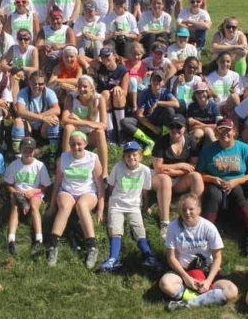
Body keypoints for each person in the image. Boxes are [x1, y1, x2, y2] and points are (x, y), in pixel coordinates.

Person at [159, 193, 238, 312]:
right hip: (183, 271)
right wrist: (186, 278)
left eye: (191, 209)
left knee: (232, 290)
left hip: (206, 271)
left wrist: (208, 281)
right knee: (165, 284)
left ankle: (188, 303)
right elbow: (171, 258)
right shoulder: (173, 227)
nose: (187, 212)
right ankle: (207, 298)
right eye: (184, 209)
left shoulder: (208, 227)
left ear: (199, 210)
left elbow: (217, 258)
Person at [197, 119, 248, 249]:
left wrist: (237, 181)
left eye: (228, 129)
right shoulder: (208, 150)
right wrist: (213, 179)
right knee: (213, 193)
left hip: (238, 184)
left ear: (235, 132)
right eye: (221, 129)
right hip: (215, 184)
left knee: (237, 191)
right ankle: (206, 235)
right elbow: (200, 174)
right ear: (216, 132)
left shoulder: (244, 148)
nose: (224, 132)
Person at [100, 141, 163, 272]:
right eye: (128, 155)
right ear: (124, 158)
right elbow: (111, 186)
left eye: (134, 155)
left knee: (139, 229)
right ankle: (114, 258)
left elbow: (145, 190)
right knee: (115, 229)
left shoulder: (145, 170)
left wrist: (146, 206)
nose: (131, 158)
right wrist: (107, 203)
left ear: (140, 156)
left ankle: (149, 255)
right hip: (116, 204)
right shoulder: (118, 167)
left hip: (134, 206)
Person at [46, 131, 106, 269]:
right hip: (67, 191)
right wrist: (52, 204)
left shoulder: (93, 158)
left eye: (79, 144)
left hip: (88, 192)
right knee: (65, 206)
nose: (76, 147)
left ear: (85, 144)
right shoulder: (64, 158)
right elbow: (58, 182)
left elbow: (100, 184)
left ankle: (92, 246)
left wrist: (101, 208)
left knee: (82, 205)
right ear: (69, 145)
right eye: (73, 144)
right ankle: (53, 245)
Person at [150, 115, 205, 238]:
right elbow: (158, 167)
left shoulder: (191, 141)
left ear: (185, 128)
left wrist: (175, 172)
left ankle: (194, 216)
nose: (175, 130)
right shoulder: (161, 142)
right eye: (172, 127)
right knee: (165, 179)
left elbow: (193, 166)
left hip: (179, 177)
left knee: (196, 177)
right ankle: (165, 222)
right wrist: (181, 165)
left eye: (178, 127)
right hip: (160, 178)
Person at [4, 137, 51, 256]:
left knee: (34, 207)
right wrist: (15, 193)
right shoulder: (14, 165)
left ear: (34, 151)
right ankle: (11, 239)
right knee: (15, 207)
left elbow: (45, 186)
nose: (27, 153)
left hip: (35, 192)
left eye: (30, 150)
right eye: (25, 150)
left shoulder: (39, 165)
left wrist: (34, 191)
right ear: (20, 150)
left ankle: (39, 238)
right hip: (19, 192)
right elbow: (8, 184)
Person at [61, 75, 109, 177]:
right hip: (77, 132)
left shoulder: (99, 99)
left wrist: (78, 120)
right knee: (69, 127)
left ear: (92, 88)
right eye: (79, 87)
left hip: (91, 134)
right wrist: (87, 123)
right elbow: (64, 120)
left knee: (100, 132)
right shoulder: (71, 97)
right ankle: (65, 165)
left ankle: (104, 172)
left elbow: (104, 125)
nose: (82, 89)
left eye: (85, 86)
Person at [121, 73, 179, 155]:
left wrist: (158, 103)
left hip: (160, 120)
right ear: (150, 81)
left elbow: (176, 104)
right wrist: (153, 128)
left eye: (159, 80)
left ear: (162, 82)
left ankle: (164, 139)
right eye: (154, 80)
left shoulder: (165, 91)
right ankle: (149, 141)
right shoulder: (144, 93)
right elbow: (140, 115)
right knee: (124, 122)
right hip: (147, 121)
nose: (156, 82)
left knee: (170, 110)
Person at [13, 71, 62, 159]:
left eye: (41, 84)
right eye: (34, 83)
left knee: (55, 119)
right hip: (29, 124)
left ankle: (53, 154)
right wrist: (42, 118)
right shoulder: (23, 92)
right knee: (18, 122)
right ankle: (18, 155)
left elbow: (57, 109)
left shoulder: (49, 92)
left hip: (43, 127)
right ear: (29, 82)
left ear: (45, 84)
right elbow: (20, 111)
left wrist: (37, 118)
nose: (37, 86)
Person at [2, 27, 39, 100]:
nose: (23, 41)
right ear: (17, 39)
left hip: (29, 74)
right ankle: (16, 103)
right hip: (17, 73)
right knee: (14, 78)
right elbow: (3, 64)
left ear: (30, 40)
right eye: (20, 39)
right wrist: (14, 69)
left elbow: (35, 68)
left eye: (25, 39)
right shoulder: (13, 48)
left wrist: (21, 68)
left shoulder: (33, 50)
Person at [205, 52, 242, 117]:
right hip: (216, 106)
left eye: (228, 61)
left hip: (229, 106)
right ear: (217, 62)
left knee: (234, 96)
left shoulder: (235, 76)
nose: (225, 64)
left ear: (231, 63)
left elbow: (239, 92)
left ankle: (236, 121)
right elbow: (210, 97)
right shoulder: (210, 77)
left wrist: (234, 92)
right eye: (222, 61)